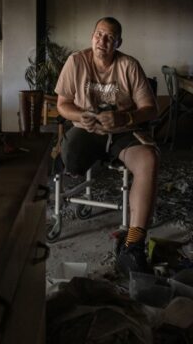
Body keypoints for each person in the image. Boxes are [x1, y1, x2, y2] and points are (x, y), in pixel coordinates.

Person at [54, 17, 159, 275]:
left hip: (122, 132)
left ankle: (133, 245)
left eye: (110, 37)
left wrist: (126, 118)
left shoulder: (128, 65)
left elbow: (150, 109)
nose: (102, 41)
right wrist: (81, 116)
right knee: (71, 160)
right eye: (99, 34)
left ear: (118, 43)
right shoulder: (76, 62)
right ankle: (91, 163)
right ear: (92, 37)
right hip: (86, 129)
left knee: (149, 160)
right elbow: (62, 105)